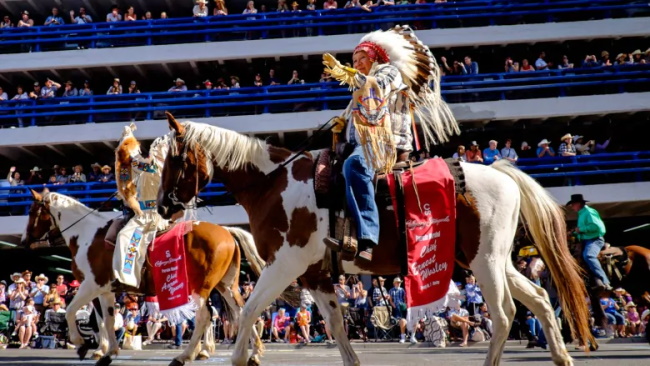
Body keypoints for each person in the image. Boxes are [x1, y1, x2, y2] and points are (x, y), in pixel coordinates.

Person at [321, 27, 457, 261]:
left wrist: (351, 75)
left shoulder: (388, 73)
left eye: (362, 58)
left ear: (375, 58)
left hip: (385, 142)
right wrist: (341, 124)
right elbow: (354, 113)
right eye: (354, 61)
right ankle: (343, 231)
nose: (357, 63)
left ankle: (366, 237)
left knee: (354, 165)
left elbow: (378, 87)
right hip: (362, 143)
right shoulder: (361, 86)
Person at [111, 124, 169, 292]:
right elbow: (127, 168)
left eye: (157, 152)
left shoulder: (157, 169)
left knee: (124, 237)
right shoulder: (148, 168)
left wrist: (127, 139)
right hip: (145, 213)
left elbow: (131, 160)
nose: (153, 154)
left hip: (151, 216)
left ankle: (126, 277)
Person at [567, 194, 610, 291]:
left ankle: (605, 281)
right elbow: (581, 230)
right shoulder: (582, 213)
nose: (572, 206)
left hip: (595, 240)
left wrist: (580, 229)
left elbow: (596, 227)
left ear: (578, 204)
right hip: (585, 240)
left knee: (589, 256)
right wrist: (573, 232)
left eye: (573, 204)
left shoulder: (589, 212)